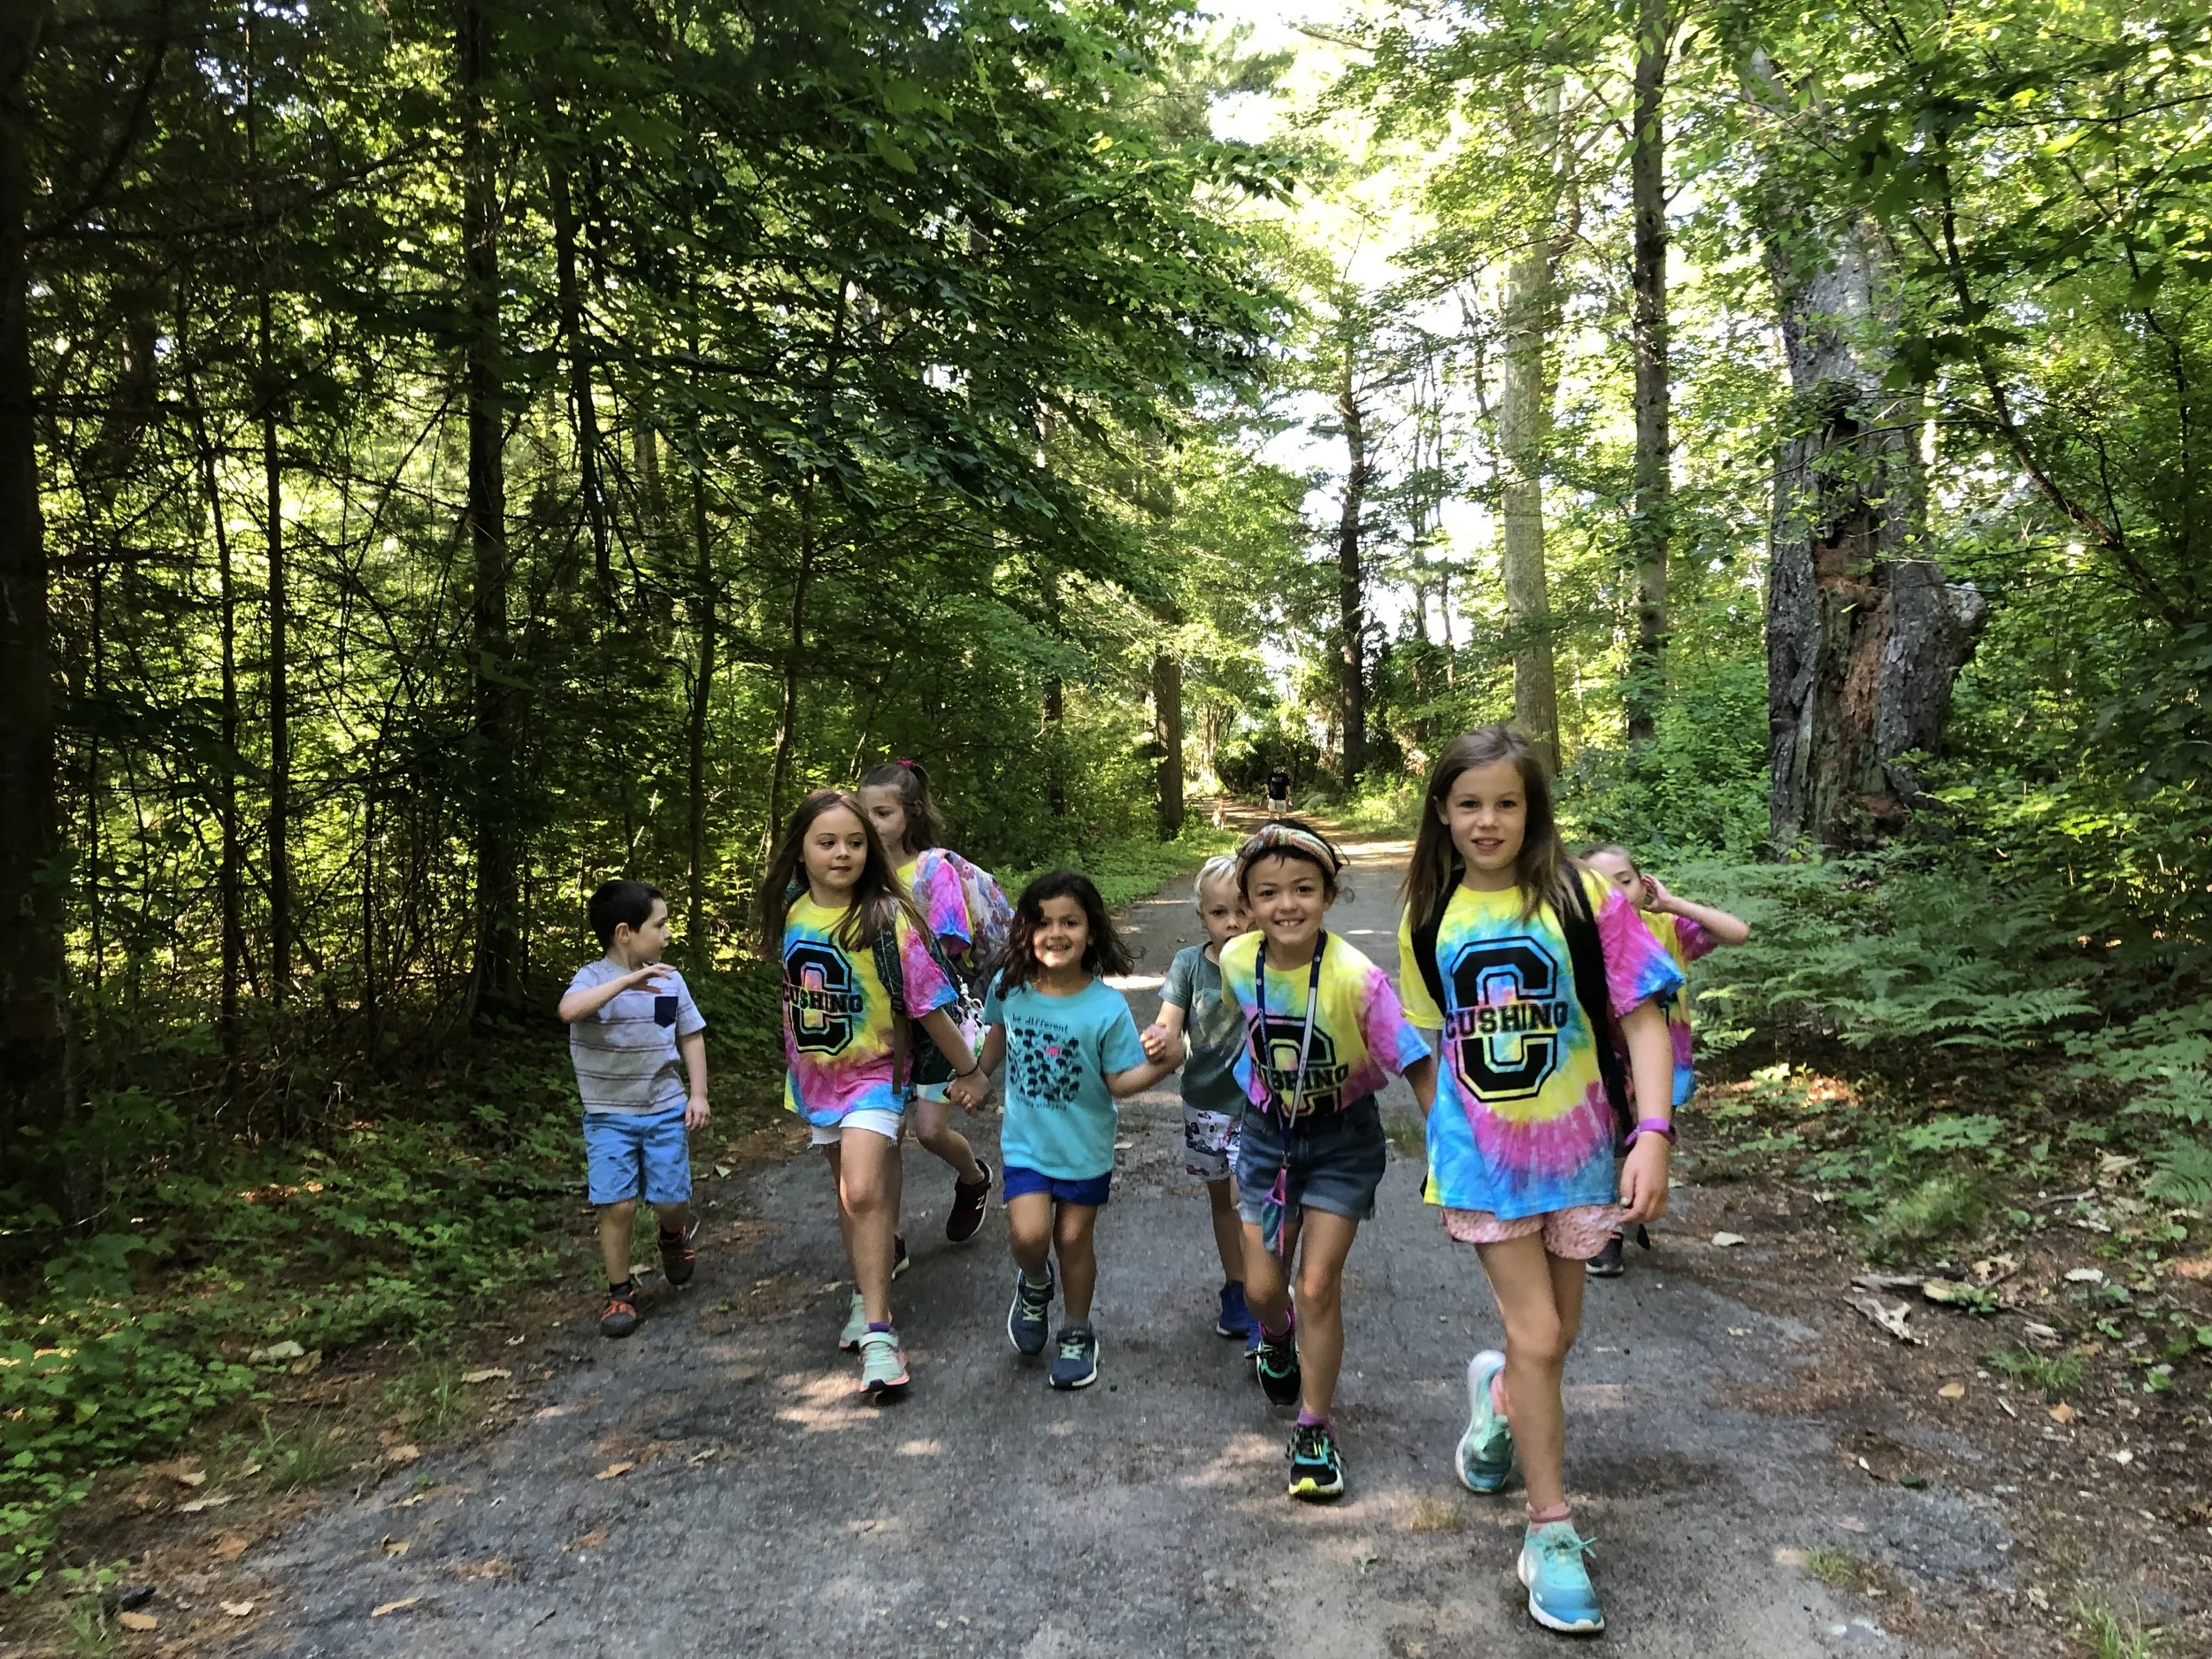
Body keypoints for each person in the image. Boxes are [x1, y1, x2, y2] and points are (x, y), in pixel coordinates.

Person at [1396, 727, 1681, 1635]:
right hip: (1485, 1167)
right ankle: (1549, 1531)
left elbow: (1640, 1014)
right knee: (1538, 1329)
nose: (1488, 820)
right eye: (1469, 803)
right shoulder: (1428, 917)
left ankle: (1497, 1402)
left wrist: (1652, 1135)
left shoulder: (1582, 895)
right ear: (1442, 811)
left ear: (1533, 810)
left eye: (1506, 803)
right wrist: (1450, 1133)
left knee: (1553, 1343)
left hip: (1580, 1154)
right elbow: (1425, 1043)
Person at [1218, 820, 1434, 1503]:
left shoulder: (1355, 978)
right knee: (1262, 1288)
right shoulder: (1235, 961)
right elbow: (1241, 1030)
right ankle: (1275, 1339)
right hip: (1264, 1139)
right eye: (1269, 892)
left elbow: (1414, 1061)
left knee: (1315, 1285)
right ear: (1249, 902)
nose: (1287, 904)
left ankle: (1314, 1426)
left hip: (1343, 1139)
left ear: (1330, 895)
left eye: (1304, 889)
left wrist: (1452, 1153)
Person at [760, 789, 983, 1404]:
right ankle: (866, 1293)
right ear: (800, 850)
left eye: (855, 842)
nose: (843, 853)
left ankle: (881, 1334)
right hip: (813, 1081)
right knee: (850, 1195)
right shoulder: (792, 908)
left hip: (875, 1078)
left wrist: (971, 1070)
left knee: (863, 1187)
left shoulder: (887, 917)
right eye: (827, 842)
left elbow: (930, 1003)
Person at [946, 871, 1173, 1391]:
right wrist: (979, 1076)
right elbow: (998, 1036)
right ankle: (1034, 1283)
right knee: (1029, 1237)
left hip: (1085, 1149)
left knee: (1073, 1239)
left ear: (1090, 932)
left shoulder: (1106, 1007)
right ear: (1025, 931)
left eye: (1069, 922)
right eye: (1042, 922)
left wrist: (1166, 1066)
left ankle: (1076, 1330)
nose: (1055, 933)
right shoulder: (1011, 987)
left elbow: (1120, 1082)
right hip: (1027, 1145)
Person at [1579, 842, 1751, 1277]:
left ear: (1644, 883)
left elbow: (1736, 932)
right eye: (1602, 885)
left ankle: (1629, 1210)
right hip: (1602, 1060)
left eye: (1626, 880)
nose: (1617, 893)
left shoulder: (1667, 930)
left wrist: (1673, 903)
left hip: (1665, 1062)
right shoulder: (1581, 937)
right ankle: (1608, 1234)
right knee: (1605, 1142)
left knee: (1646, 1140)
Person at [856, 761, 996, 1271]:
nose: (871, 824)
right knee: (885, 1131)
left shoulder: (932, 868)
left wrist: (903, 951)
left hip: (933, 1018)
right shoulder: (855, 872)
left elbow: (950, 942)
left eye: (884, 812)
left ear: (910, 814)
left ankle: (974, 1177)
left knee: (931, 1131)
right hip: (878, 1023)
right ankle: (888, 1242)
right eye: (864, 811)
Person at [558, 880, 710, 1341]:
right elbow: (568, 1011)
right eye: (659, 925)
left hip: (663, 1109)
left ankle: (672, 1236)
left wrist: (698, 1093)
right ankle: (619, 1291)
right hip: (608, 1116)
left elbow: (683, 1035)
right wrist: (627, 981)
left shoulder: (668, 980)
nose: (666, 934)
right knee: (618, 1204)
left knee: (671, 1200)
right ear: (625, 933)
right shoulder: (591, 979)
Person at [1139, 855, 1257, 1344]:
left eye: (1243, 910)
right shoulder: (1190, 965)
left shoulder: (1271, 960)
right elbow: (1168, 1022)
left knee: (1251, 1199)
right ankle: (1236, 1286)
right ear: (1202, 917)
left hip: (1261, 1108)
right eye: (1219, 913)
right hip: (1205, 1104)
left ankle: (1265, 1296)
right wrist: (1159, 1036)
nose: (1233, 922)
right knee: (1224, 1204)